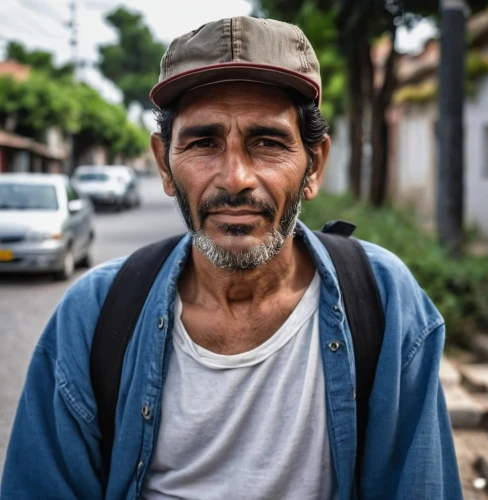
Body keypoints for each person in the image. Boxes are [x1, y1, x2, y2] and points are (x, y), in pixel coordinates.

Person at [2, 16, 462, 500]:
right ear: (164, 163)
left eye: (267, 142)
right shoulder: (93, 316)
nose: (236, 177)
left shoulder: (386, 304)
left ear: (314, 165)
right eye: (204, 142)